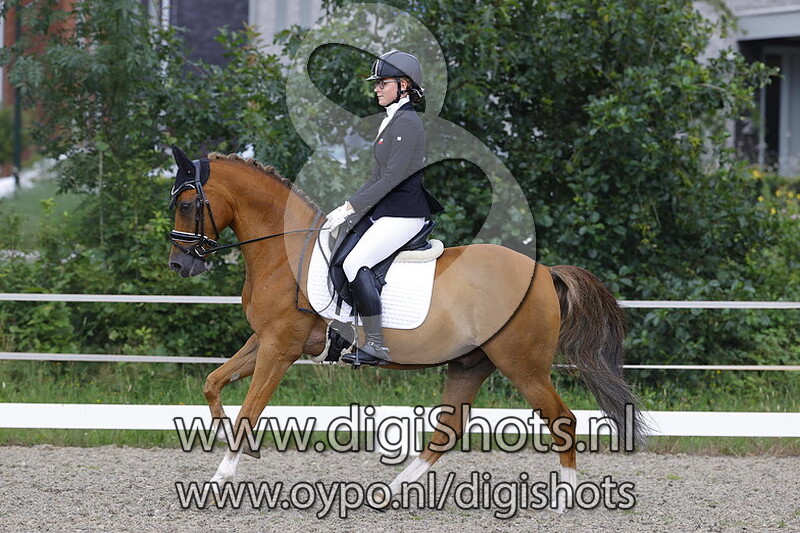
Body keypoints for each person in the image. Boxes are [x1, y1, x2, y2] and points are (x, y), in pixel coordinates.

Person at [325, 50, 444, 366]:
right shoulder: (392, 121)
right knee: (339, 253)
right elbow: (376, 176)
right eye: (376, 83)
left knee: (355, 263)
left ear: (403, 85)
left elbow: (393, 177)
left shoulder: (408, 123)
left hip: (404, 213)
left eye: (383, 83)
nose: (376, 88)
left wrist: (353, 205)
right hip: (386, 211)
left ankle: (377, 345)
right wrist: (347, 207)